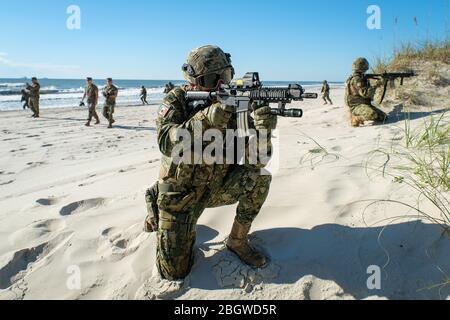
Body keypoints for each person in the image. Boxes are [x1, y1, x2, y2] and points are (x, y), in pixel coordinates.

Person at [144, 45, 277, 281]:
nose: (220, 84)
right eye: (211, 79)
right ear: (193, 80)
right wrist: (207, 118)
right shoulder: (177, 99)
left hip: (216, 187)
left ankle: (237, 240)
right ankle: (155, 197)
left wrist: (264, 131)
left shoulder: (236, 102)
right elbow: (166, 142)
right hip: (180, 195)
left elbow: (257, 159)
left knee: (260, 177)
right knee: (173, 273)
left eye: (225, 76)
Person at [345, 58, 388, 127]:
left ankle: (359, 113)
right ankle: (356, 118)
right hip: (356, 105)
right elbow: (365, 93)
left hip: (363, 103)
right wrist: (378, 83)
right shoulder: (357, 79)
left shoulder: (361, 77)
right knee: (372, 114)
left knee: (383, 117)